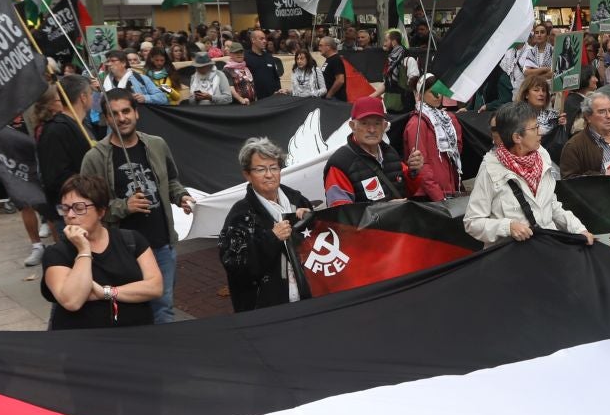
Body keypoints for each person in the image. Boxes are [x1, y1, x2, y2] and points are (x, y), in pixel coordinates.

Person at [78, 89, 195, 323]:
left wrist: (181, 196)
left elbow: (171, 181)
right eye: (114, 114)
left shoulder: (156, 144)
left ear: (136, 113)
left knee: (163, 308)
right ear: (106, 118)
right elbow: (86, 208)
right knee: (128, 311)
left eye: (126, 111)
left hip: (161, 245)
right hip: (121, 251)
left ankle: (162, 357)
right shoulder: (95, 158)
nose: (121, 118)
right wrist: (124, 206)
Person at [38, 174, 162, 330]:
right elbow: (72, 301)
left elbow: (155, 288)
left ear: (101, 211)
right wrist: (83, 250)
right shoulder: (56, 253)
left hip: (135, 338)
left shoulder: (131, 240)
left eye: (79, 208)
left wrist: (105, 292)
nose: (70, 215)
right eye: (65, 208)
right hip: (82, 343)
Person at [464, 102, 595, 245]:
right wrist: (507, 227)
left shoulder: (542, 156)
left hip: (547, 250)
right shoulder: (490, 169)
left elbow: (551, 204)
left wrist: (579, 230)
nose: (541, 132)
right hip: (511, 259)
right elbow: (472, 222)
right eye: (535, 128)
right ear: (517, 137)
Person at [217, 139, 315, 312]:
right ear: (247, 174)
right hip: (267, 310)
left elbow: (318, 242)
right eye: (261, 169)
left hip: (307, 299)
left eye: (274, 167)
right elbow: (235, 267)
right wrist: (272, 238)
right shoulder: (241, 215)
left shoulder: (296, 200)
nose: (269, 174)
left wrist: (311, 220)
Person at [35, 76, 95, 265]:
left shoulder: (79, 125)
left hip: (88, 210)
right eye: (92, 94)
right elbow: (55, 177)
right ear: (84, 97)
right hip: (73, 215)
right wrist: (91, 185)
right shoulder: (56, 130)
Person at [324, 95, 424, 204]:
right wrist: (386, 209)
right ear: (352, 126)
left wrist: (413, 173)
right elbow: (340, 212)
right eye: (364, 123)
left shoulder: (391, 153)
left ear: (384, 126)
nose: (372, 130)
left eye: (377, 123)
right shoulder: (340, 164)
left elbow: (405, 192)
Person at [401, 76, 465, 200]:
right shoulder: (417, 123)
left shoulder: (446, 119)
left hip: (448, 192)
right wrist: (439, 197)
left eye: (440, 91)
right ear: (421, 94)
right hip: (428, 197)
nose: (438, 96)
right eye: (433, 92)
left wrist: (453, 123)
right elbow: (421, 165)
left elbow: (457, 152)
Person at [561, 91, 610, 177]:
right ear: (588, 117)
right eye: (602, 112)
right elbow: (569, 182)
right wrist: (602, 176)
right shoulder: (574, 146)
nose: (609, 116)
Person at [240, 29, 285, 100]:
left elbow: (276, 77)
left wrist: (278, 91)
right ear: (253, 40)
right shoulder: (245, 57)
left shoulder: (269, 57)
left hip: (272, 98)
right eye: (261, 39)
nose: (264, 41)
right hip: (255, 100)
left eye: (265, 39)